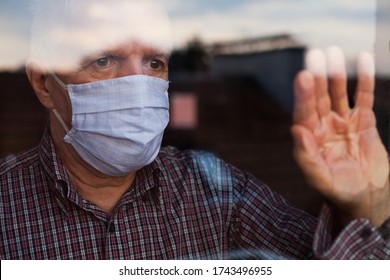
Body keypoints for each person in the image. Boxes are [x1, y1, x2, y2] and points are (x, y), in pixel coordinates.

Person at [0, 0, 389, 260]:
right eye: (103, 60)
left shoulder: (218, 192)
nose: (138, 86)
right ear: (42, 83)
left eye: (154, 62)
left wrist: (365, 206)